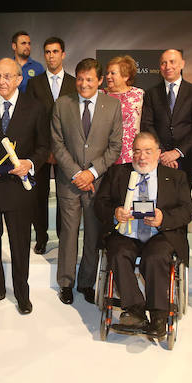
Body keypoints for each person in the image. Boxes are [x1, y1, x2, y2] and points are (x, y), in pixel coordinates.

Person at [94, 132, 192, 337]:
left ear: (158, 153)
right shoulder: (118, 174)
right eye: (137, 151)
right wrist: (115, 213)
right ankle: (135, 310)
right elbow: (100, 204)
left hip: (159, 235)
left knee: (156, 257)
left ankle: (158, 316)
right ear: (132, 153)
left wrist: (163, 218)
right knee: (118, 253)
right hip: (125, 234)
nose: (142, 157)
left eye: (148, 151)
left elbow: (187, 211)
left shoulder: (176, 177)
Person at [0, 58, 49, 314]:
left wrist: (30, 163)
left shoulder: (35, 107)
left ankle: (22, 294)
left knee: (20, 242)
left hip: (19, 187)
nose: (2, 81)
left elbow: (44, 146)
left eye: (7, 76)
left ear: (18, 79)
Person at [51, 58, 123, 305]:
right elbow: (57, 144)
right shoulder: (62, 104)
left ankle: (86, 283)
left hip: (97, 184)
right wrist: (76, 173)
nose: (83, 84)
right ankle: (66, 283)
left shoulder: (112, 106)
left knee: (93, 236)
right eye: (80, 78)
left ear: (100, 80)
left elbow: (115, 147)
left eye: (89, 79)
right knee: (69, 234)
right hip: (68, 182)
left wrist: (91, 173)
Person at [26, 36, 77, 254]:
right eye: (47, 52)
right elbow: (30, 118)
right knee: (39, 196)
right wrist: (43, 149)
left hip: (67, 150)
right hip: (41, 150)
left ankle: (64, 237)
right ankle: (41, 237)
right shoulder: (34, 83)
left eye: (55, 51)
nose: (51, 56)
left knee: (66, 196)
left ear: (63, 54)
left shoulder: (74, 83)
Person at [140, 48, 192, 188]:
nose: (167, 66)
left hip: (186, 157)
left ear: (182, 64)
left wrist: (177, 152)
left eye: (172, 62)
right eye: (163, 63)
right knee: (159, 201)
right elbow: (147, 124)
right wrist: (163, 154)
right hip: (158, 158)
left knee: (184, 203)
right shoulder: (151, 93)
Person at [102, 55, 144, 164]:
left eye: (113, 73)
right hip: (106, 155)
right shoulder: (100, 95)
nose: (108, 76)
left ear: (125, 76)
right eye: (107, 73)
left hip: (131, 155)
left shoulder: (139, 95)